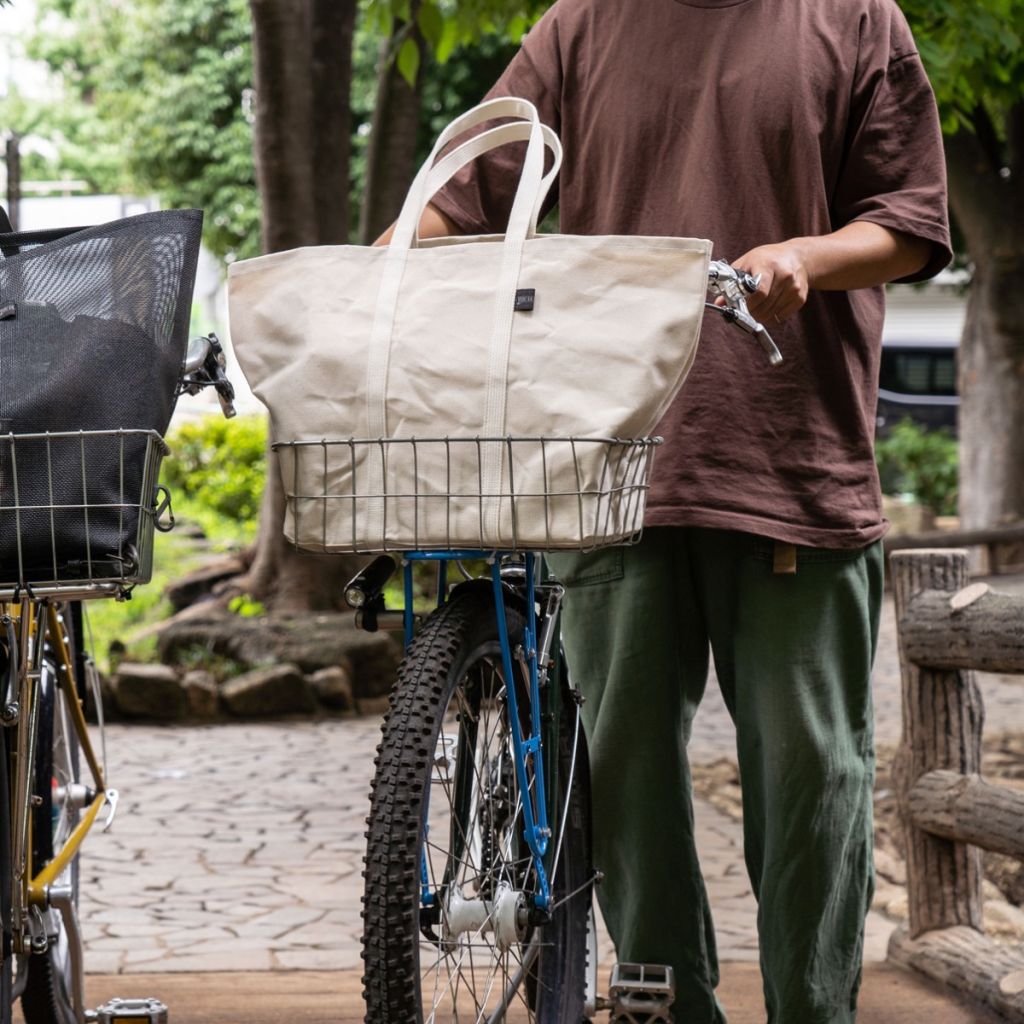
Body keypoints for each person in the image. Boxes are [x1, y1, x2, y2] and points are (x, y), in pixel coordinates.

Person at [379, 1, 951, 1019]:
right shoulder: (579, 26)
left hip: (790, 461)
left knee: (814, 783)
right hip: (608, 461)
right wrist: (374, 270)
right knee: (624, 778)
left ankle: (811, 1011)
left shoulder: (854, 19)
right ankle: (667, 1010)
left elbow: (908, 221)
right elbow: (464, 191)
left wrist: (806, 260)